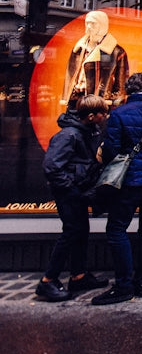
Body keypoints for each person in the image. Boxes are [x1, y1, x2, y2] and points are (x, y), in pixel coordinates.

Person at [92, 72, 142, 305]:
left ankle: (124, 284)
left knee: (117, 228)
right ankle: (141, 281)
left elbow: (111, 150)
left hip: (130, 179)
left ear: (128, 90)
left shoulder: (118, 114)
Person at [35, 93, 110, 301]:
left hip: (78, 191)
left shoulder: (86, 131)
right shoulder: (68, 135)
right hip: (69, 193)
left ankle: (78, 275)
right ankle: (48, 281)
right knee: (71, 232)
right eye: (103, 113)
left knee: (80, 231)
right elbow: (51, 166)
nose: (106, 116)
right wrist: (71, 187)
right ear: (92, 115)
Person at [62, 10, 129, 108]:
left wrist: (112, 102)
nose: (89, 26)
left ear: (102, 25)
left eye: (93, 23)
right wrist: (67, 97)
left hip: (99, 104)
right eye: (87, 23)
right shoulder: (78, 49)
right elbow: (69, 75)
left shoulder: (116, 52)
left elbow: (121, 84)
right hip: (76, 101)